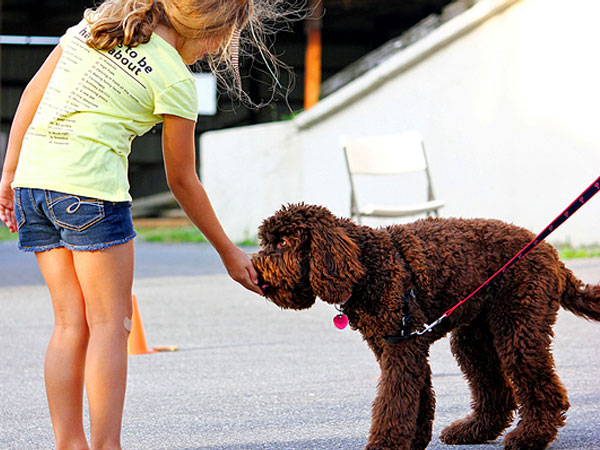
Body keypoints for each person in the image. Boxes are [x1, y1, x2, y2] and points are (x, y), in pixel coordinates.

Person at [0, 0, 293, 448]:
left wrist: (8, 177)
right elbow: (182, 179)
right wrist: (228, 251)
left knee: (67, 323)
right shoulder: (174, 77)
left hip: (33, 186)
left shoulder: (94, 25)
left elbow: (31, 96)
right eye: (222, 42)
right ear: (209, 27)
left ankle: (69, 444)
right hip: (90, 191)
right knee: (110, 325)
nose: (217, 51)